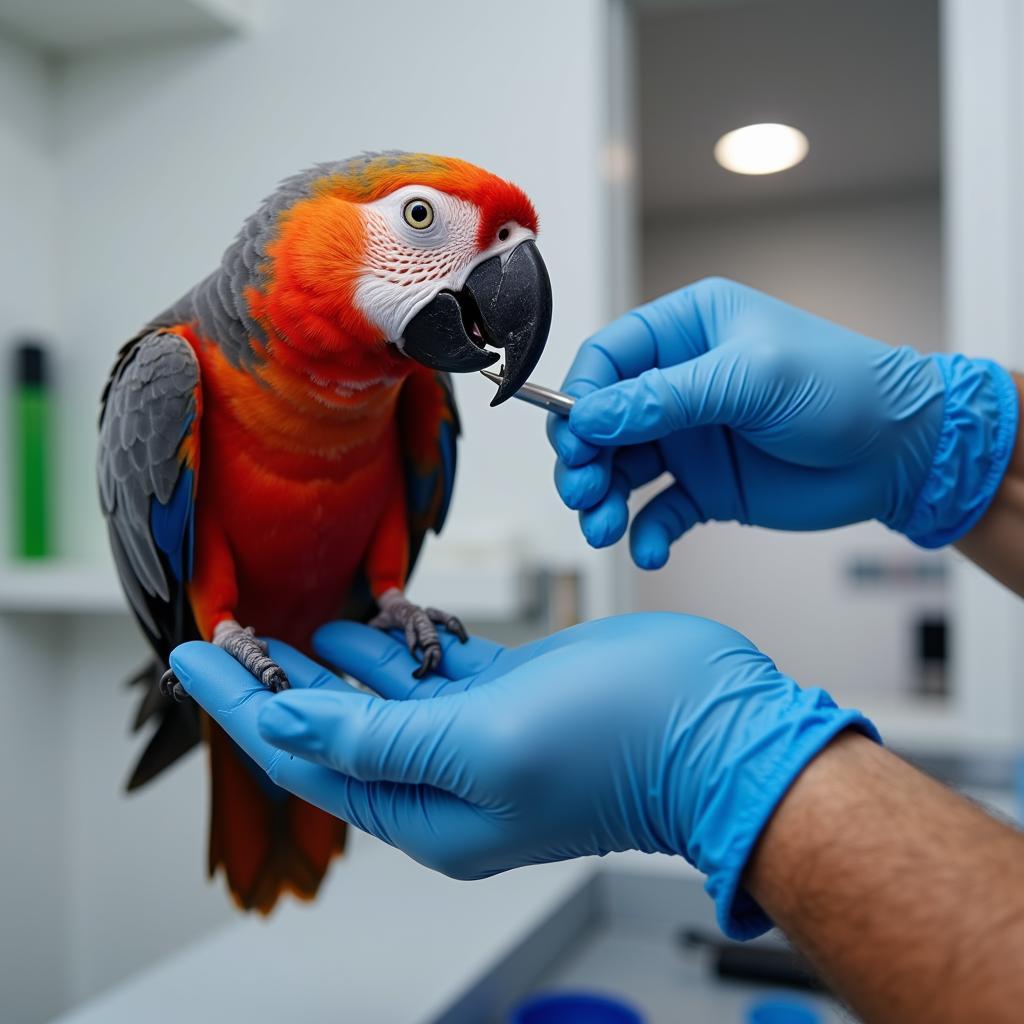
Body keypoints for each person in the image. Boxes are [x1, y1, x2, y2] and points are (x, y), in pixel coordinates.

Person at [172, 278, 1024, 1023]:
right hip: (233, 616)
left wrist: (738, 775)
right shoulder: (179, 371)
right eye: (422, 218)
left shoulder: (419, 394)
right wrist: (963, 441)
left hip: (367, 607)